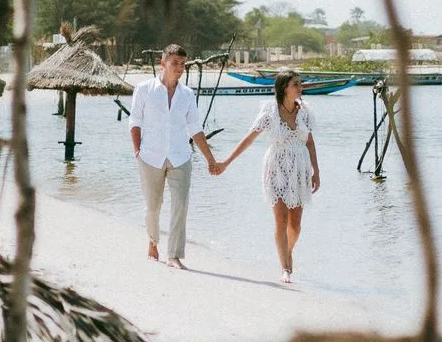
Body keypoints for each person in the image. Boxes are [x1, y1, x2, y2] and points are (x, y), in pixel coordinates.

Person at [212, 69, 320, 283]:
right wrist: (225, 162)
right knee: (280, 221)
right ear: (283, 89)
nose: (300, 88)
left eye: (300, 84)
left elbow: (309, 142)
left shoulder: (306, 111)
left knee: (295, 225)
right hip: (276, 168)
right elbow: (249, 138)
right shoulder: (270, 112)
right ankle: (286, 268)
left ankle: (287, 251)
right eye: (295, 84)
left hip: (300, 170)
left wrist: (316, 171)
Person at [129, 43, 217, 267]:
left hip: (180, 157)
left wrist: (210, 159)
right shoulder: (144, 89)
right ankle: (152, 241)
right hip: (150, 157)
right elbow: (135, 121)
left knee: (180, 205)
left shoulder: (187, 95)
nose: (179, 68)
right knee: (153, 206)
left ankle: (174, 255)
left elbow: (195, 128)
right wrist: (137, 150)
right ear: (163, 63)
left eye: (183, 64)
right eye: (175, 63)